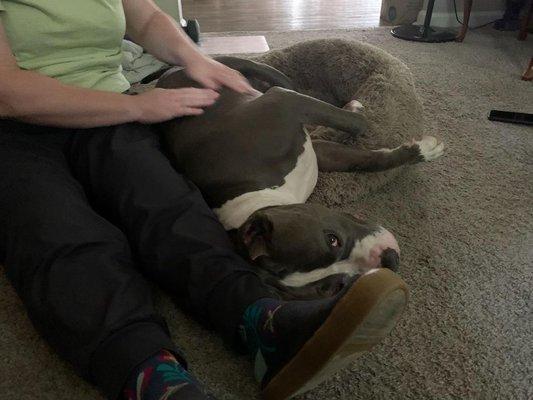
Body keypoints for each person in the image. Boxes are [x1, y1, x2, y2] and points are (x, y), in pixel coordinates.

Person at [0, 1, 408, 400]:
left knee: (168, 204)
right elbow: (9, 92)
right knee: (59, 232)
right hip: (12, 131)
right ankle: (151, 378)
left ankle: (261, 322)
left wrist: (195, 59)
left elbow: (143, 15)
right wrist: (139, 107)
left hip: (108, 113)